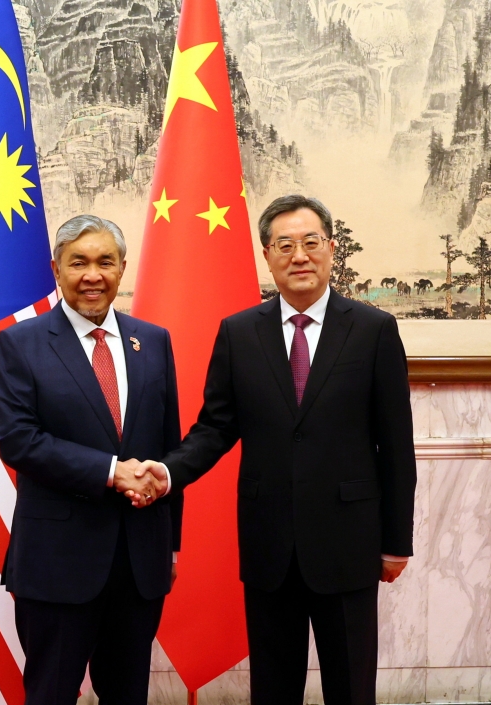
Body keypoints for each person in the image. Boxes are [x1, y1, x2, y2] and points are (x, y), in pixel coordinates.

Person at [135, 194, 417, 705]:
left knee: (352, 688)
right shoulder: (240, 333)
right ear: (267, 255)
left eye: (311, 243)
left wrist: (397, 540)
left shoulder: (374, 330)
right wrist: (169, 471)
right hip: (271, 546)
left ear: (332, 249)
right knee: (273, 688)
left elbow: (396, 445)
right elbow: (215, 428)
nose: (299, 255)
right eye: (284, 245)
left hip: (349, 542)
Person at [0, 214, 180, 705]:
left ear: (122, 269)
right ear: (56, 269)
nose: (92, 275)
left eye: (104, 262)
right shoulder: (21, 344)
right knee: (51, 694)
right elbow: (18, 440)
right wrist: (111, 473)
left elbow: (167, 446)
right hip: (58, 562)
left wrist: (171, 545)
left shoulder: (153, 341)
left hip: (140, 563)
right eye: (78, 262)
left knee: (127, 694)